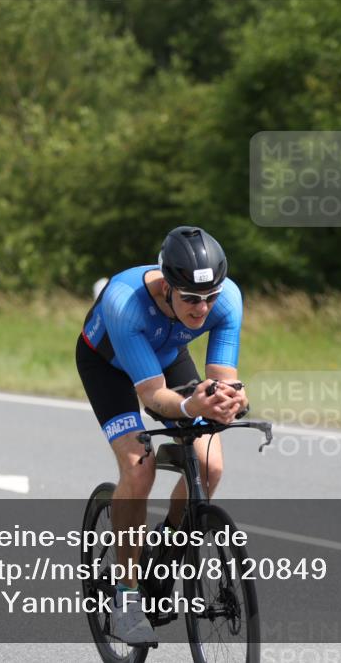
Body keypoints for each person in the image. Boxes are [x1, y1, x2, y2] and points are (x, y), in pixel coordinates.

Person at [76, 226, 248, 645]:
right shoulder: (125, 302)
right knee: (140, 469)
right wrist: (192, 407)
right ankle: (126, 597)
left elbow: (224, 379)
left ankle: (168, 549)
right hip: (109, 365)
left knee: (209, 464)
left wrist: (231, 401)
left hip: (169, 357)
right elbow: (153, 396)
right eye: (190, 298)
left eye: (210, 297)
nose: (202, 309)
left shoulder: (227, 299)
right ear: (166, 286)